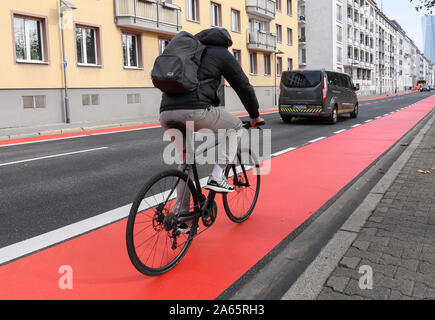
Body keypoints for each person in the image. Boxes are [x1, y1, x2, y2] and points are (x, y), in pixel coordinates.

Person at [159, 28, 264, 229]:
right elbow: (243, 85)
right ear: (225, 41)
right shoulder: (220, 52)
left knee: (186, 162)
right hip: (194, 110)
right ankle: (217, 176)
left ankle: (182, 217)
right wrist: (254, 115)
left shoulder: (190, 51)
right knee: (234, 127)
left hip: (166, 112)